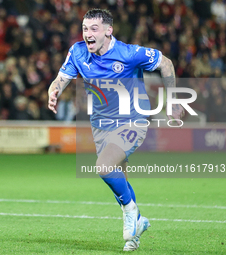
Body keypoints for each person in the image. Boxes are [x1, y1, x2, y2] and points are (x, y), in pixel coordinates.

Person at [47, 9, 184, 251]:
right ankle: (136, 230)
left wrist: (172, 100)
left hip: (133, 120)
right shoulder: (78, 51)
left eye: (94, 29)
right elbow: (62, 76)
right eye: (85, 28)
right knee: (118, 175)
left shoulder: (129, 53)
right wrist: (54, 89)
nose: (88, 34)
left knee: (103, 166)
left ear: (108, 31)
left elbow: (166, 63)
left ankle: (132, 214)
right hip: (100, 123)